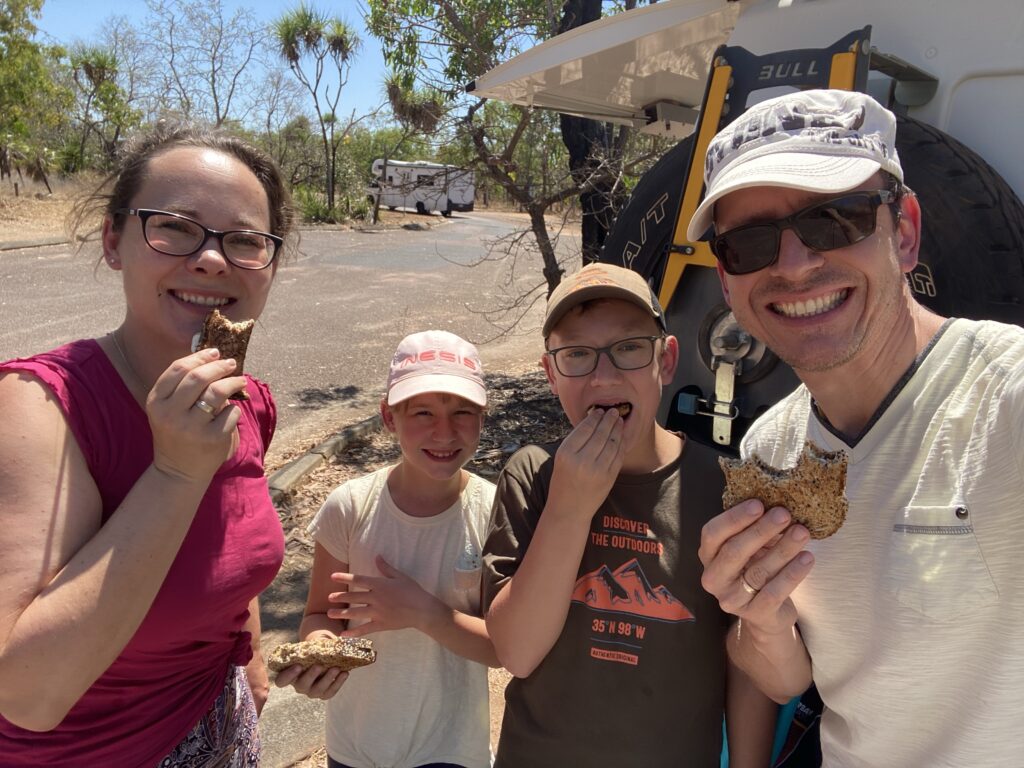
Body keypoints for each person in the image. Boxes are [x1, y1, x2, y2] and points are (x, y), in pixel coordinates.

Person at [693, 88, 1024, 767]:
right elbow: (788, 680)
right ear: (726, 283)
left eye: (833, 219)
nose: (793, 265)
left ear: (903, 231)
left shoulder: (1007, 399)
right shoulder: (771, 450)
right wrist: (759, 618)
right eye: (749, 242)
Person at [0, 123, 294, 765]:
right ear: (114, 241)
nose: (212, 259)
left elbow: (231, 547)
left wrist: (248, 658)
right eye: (176, 227)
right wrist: (175, 474)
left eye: (245, 240)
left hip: (220, 725)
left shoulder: (247, 401)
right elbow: (27, 694)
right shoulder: (40, 406)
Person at [481, 263, 776, 767]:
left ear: (667, 360)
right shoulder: (532, 475)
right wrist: (569, 508)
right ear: (551, 374)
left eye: (629, 348)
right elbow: (517, 652)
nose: (603, 376)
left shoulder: (725, 487)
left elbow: (749, 659)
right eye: (577, 354)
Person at [276, 330, 499, 768]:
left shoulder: (494, 513)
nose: (444, 432)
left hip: (452, 748)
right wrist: (319, 652)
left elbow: (504, 648)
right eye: (422, 412)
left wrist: (425, 613)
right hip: (357, 746)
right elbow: (319, 615)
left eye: (463, 412)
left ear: (482, 418)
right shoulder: (350, 507)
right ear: (388, 417)